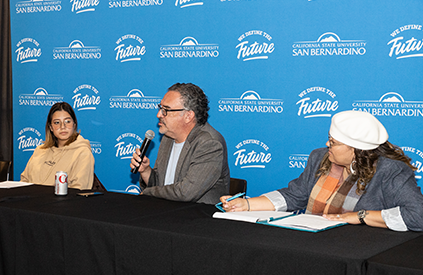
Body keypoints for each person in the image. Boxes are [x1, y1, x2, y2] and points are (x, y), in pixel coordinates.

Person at [220, 110, 423, 232]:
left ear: (356, 150)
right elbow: (294, 196)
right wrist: (246, 204)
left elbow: (418, 216)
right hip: (311, 241)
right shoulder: (320, 157)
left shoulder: (391, 170)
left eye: (333, 143)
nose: (327, 144)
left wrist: (360, 216)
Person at [130, 83, 230, 204]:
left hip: (199, 217)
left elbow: (186, 192)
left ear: (188, 116)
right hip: (167, 212)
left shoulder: (210, 143)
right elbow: (162, 186)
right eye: (160, 108)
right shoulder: (168, 137)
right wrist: (145, 171)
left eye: (166, 110)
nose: (159, 114)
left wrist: (147, 193)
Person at [21, 102, 94, 190]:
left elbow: (79, 191)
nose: (63, 126)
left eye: (67, 121)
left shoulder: (83, 153)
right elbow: (24, 182)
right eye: (56, 122)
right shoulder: (39, 151)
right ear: (51, 127)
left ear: (74, 124)